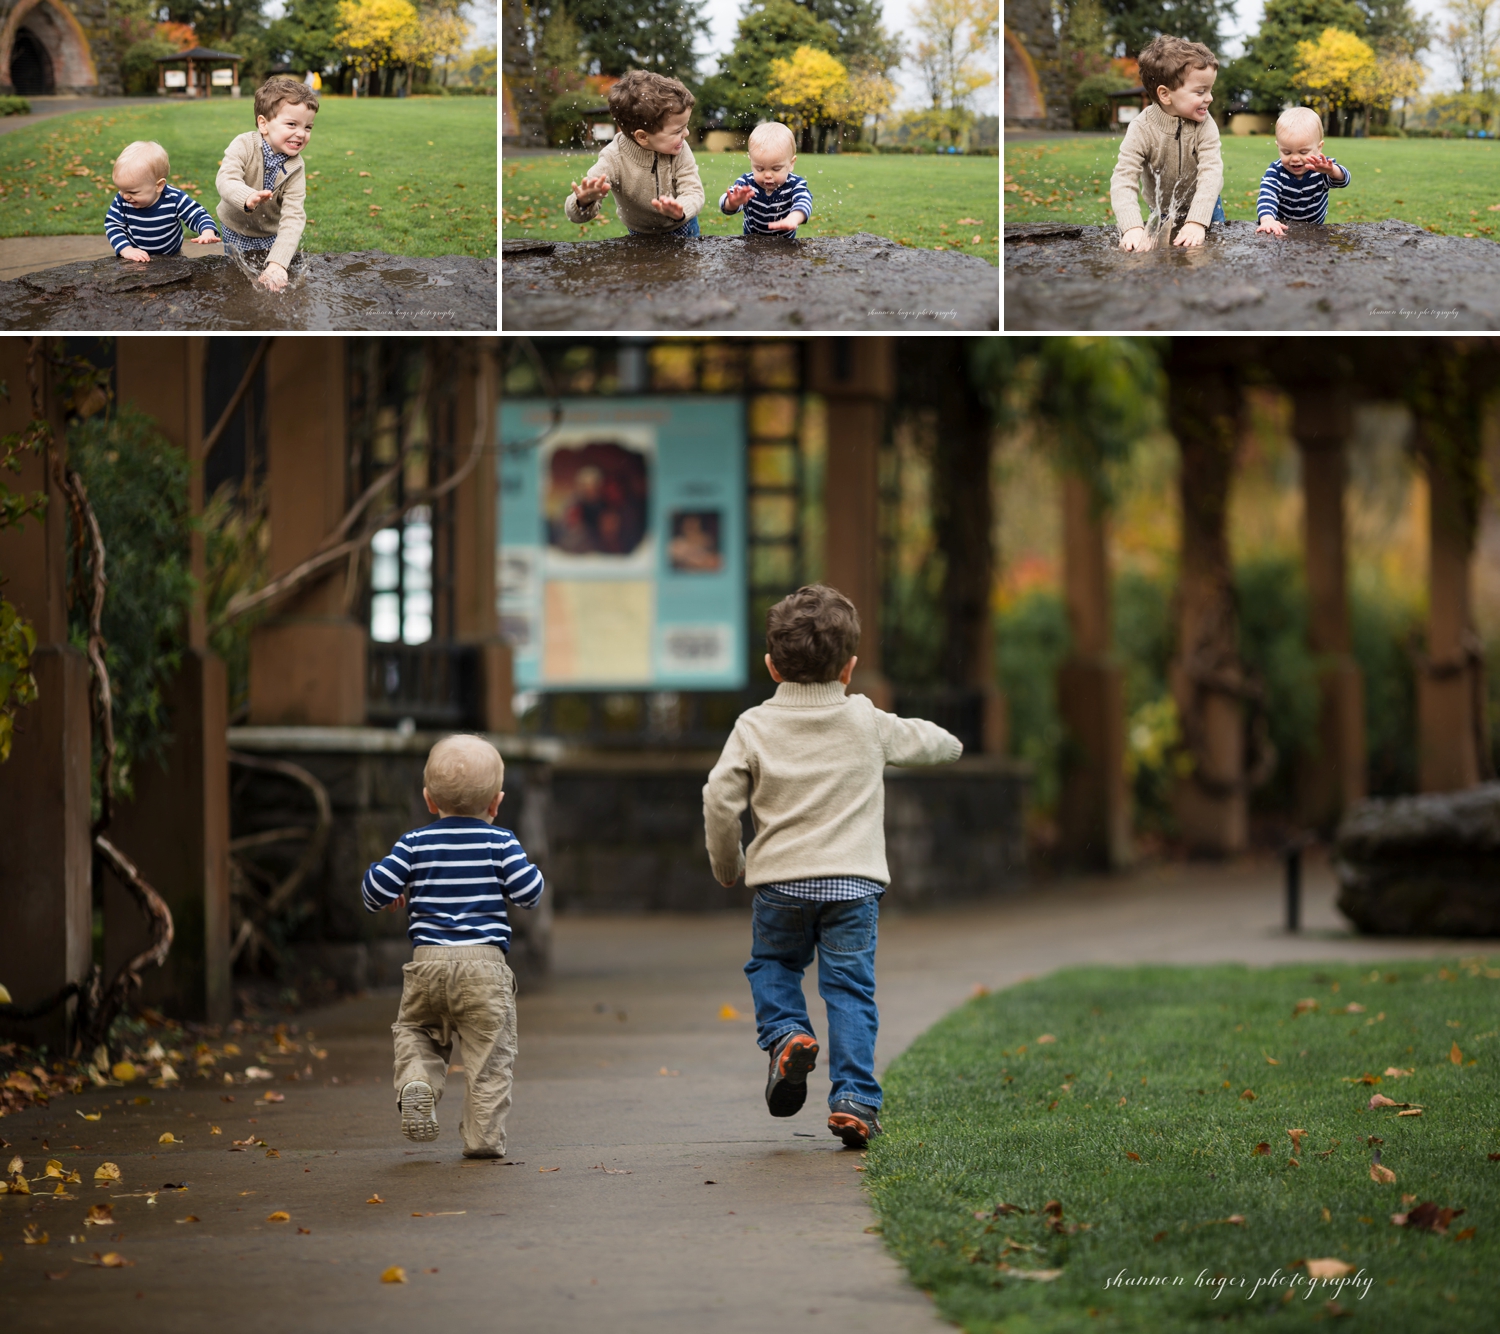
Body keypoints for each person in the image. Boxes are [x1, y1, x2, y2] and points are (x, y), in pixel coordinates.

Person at [703, 585, 962, 1149]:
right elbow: (938, 744)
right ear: (849, 668)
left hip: (780, 886)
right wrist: (949, 745)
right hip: (853, 886)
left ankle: (788, 1035)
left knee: (772, 965)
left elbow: (719, 798)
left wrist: (730, 863)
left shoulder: (753, 725)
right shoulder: (866, 719)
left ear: (771, 666)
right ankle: (854, 1101)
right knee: (850, 992)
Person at [361, 734, 544, 1158]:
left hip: (427, 964)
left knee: (416, 1030)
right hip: (485, 968)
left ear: (428, 799)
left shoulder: (413, 844)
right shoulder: (501, 842)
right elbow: (530, 893)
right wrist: (519, 867)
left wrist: (392, 885)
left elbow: (373, 893)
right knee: (490, 1057)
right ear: (496, 804)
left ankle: (417, 1081)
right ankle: (482, 1138)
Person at [1110, 35, 1225, 252]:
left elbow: (1212, 172)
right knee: (1167, 258)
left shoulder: (1205, 124)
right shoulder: (1141, 128)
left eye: (1210, 90)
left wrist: (1197, 221)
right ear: (1165, 94)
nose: (1209, 98)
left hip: (1207, 205)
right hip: (1163, 210)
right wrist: (1132, 227)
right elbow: (1123, 179)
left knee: (1209, 255)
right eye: (1201, 91)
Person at [563, 70, 705, 238]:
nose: (686, 133)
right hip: (640, 232)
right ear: (643, 137)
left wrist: (680, 210)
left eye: (685, 126)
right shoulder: (613, 158)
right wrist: (584, 201)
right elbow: (575, 215)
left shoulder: (680, 149)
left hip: (684, 226)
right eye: (678, 130)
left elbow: (694, 191)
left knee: (685, 264)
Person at [215, 76, 317, 292]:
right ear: (264, 124)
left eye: (308, 127)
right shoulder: (244, 145)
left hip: (270, 233)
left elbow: (293, 216)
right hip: (236, 227)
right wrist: (245, 196)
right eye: (292, 124)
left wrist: (279, 263)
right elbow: (226, 178)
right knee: (238, 278)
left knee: (269, 279)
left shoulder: (296, 166)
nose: (301, 134)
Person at [104, 141, 219, 262]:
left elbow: (197, 214)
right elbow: (113, 225)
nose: (125, 196)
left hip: (172, 256)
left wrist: (207, 231)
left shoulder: (174, 198)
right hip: (135, 256)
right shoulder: (121, 200)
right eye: (121, 190)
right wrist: (126, 249)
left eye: (133, 192)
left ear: (159, 186)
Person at [1255, 106, 1352, 237]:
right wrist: (1268, 220)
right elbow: (1267, 196)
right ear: (1278, 147)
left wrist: (1332, 171)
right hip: (1282, 230)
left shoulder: (1321, 167)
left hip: (1314, 231)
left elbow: (1343, 180)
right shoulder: (1276, 171)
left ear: (1319, 148)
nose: (1295, 158)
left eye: (1303, 152)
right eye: (1287, 152)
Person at [719, 122, 815, 238]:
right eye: (760, 169)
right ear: (751, 162)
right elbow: (726, 203)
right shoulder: (747, 183)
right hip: (752, 244)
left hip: (784, 246)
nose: (768, 175)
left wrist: (793, 218)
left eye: (776, 169)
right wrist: (733, 203)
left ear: (791, 164)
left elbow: (804, 201)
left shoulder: (794, 184)